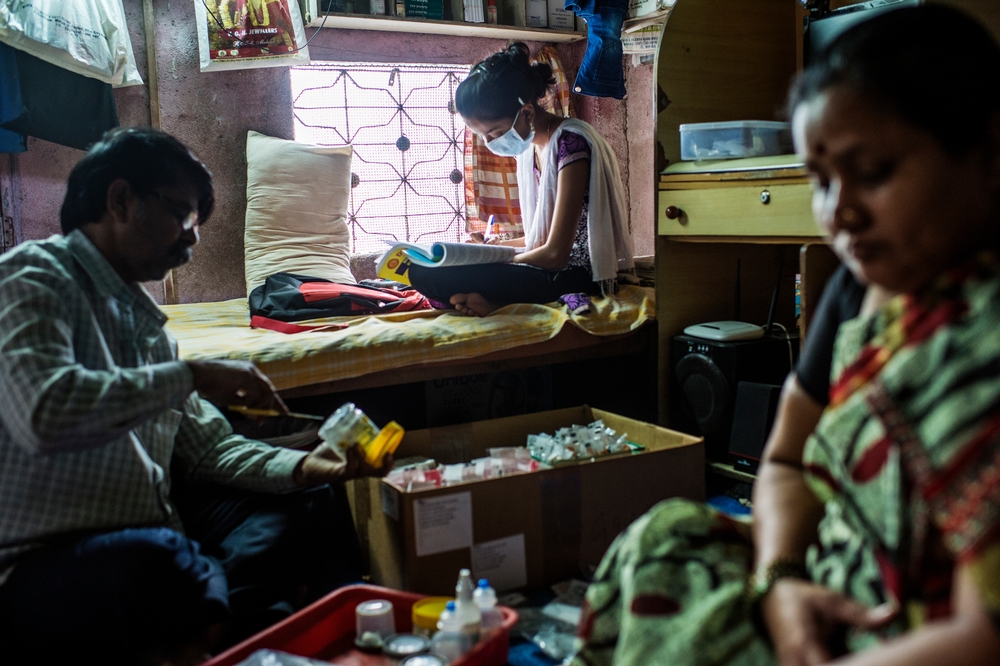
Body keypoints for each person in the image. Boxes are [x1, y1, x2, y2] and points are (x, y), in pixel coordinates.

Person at [572, 6, 1000, 665]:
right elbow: (786, 461)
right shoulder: (865, 295)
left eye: (875, 172)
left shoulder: (977, 336)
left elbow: (984, 634)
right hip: (821, 579)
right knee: (663, 542)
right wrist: (781, 582)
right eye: (822, 182)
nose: (842, 215)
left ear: (988, 153)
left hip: (909, 631)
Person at [0, 127, 391, 665]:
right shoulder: (32, 278)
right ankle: (237, 622)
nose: (194, 238)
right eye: (182, 214)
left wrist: (306, 468)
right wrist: (192, 375)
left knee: (303, 498)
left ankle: (250, 634)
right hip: (48, 562)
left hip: (155, 537)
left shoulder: (150, 329)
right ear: (120, 201)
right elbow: (45, 413)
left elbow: (210, 450)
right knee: (159, 560)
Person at [408, 42, 634, 317]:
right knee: (423, 270)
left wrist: (497, 262)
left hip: (574, 274)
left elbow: (555, 254)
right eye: (482, 136)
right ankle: (490, 300)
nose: (490, 143)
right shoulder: (532, 149)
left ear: (526, 112)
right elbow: (539, 239)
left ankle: (497, 302)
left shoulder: (571, 144)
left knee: (436, 278)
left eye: (494, 132)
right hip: (548, 266)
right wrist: (496, 249)